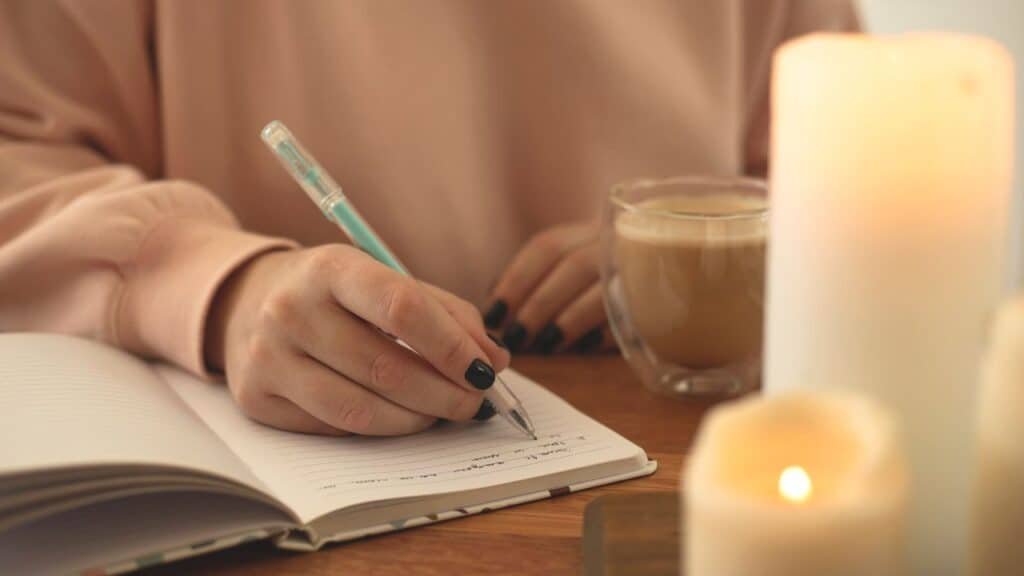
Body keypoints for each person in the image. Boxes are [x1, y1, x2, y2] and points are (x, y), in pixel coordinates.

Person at [0, 0, 857, 436]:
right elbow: (21, 152)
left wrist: (693, 254)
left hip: (692, 442)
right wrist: (220, 287)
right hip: (275, 470)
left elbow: (857, 164)